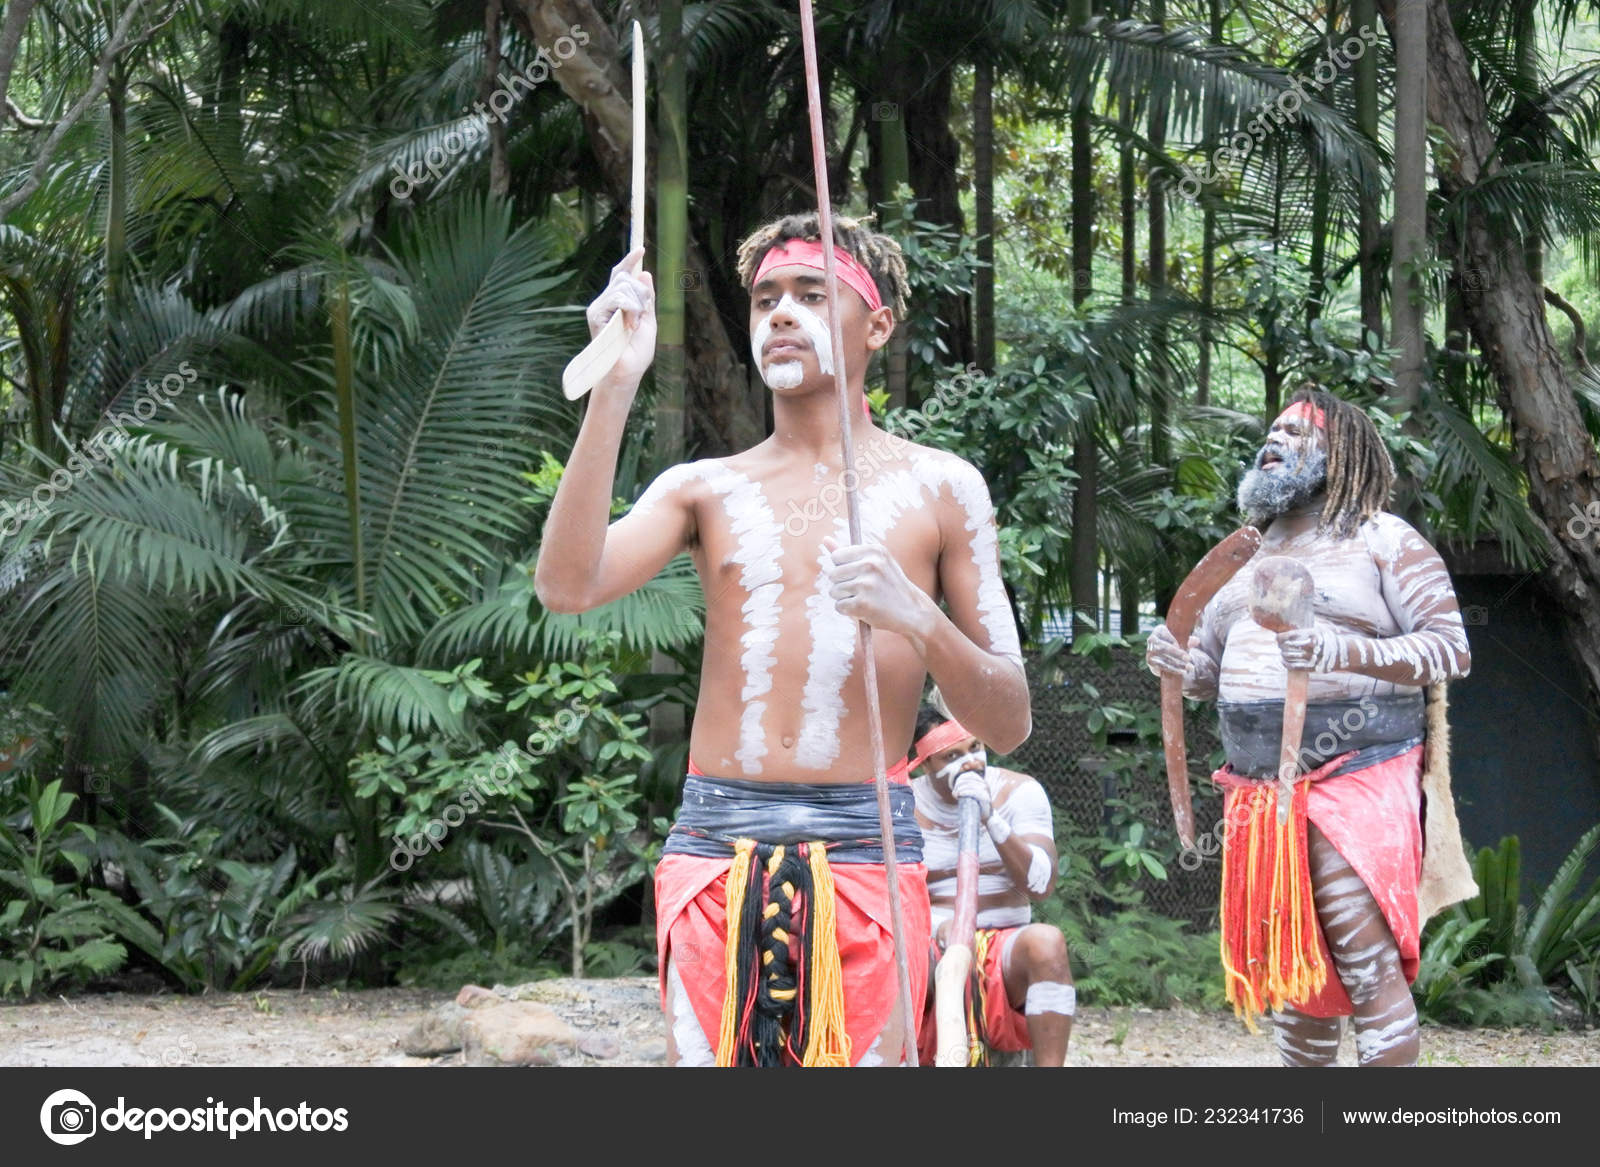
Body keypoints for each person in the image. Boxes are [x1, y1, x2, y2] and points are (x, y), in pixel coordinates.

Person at [535, 212, 1030, 1066]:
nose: (781, 314)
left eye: (811, 294)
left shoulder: (946, 488)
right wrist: (613, 387)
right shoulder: (705, 487)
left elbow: (1010, 718)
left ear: (876, 324)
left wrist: (918, 615)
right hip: (714, 853)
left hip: (869, 857)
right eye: (765, 298)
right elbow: (566, 586)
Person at [1146, 387, 1474, 1067]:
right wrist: (1178, 661)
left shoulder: (1380, 537)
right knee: (1296, 976)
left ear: (1340, 451)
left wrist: (1340, 649)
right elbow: (1206, 668)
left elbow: (1450, 647)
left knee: (1363, 957)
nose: (1275, 439)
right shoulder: (1241, 555)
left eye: (1296, 432)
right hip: (1261, 792)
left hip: (1354, 770)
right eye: (1272, 429)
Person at [908, 705, 1073, 1066]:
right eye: (951, 755)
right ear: (925, 764)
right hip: (926, 943)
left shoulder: (1018, 791)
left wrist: (992, 820)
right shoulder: (903, 803)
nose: (969, 763)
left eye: (975, 748)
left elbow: (1040, 886)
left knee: (1046, 943)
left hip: (1005, 944)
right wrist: (938, 930)